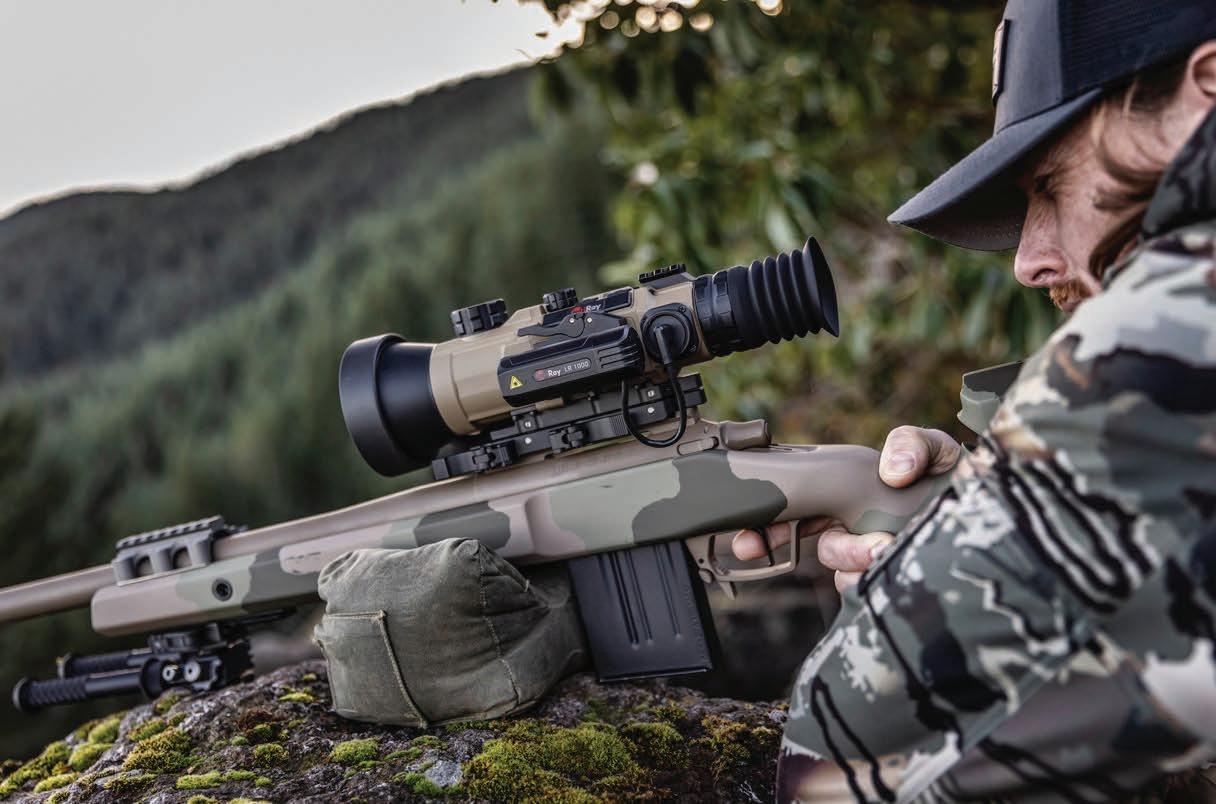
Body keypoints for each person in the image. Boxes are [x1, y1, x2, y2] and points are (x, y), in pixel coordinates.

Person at [733, 1, 1216, 801]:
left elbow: (842, 763)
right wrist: (985, 501)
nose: (1029, 259)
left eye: (1052, 184)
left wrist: (937, 581)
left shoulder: (1181, 314)